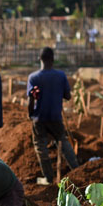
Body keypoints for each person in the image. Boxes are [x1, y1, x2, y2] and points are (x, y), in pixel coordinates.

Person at [26, 47, 79, 185]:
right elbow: (67, 96)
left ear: (40, 59)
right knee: (62, 140)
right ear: (53, 60)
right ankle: (77, 170)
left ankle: (48, 178)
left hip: (39, 118)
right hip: (55, 116)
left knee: (41, 147)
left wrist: (30, 114)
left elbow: (30, 100)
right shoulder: (60, 76)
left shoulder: (33, 77)